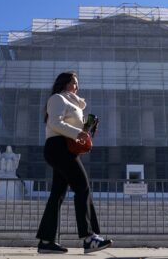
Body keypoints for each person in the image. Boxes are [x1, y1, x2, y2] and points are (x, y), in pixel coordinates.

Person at [36, 72, 112, 254]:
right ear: (65, 83)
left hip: (64, 148)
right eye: (74, 83)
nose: (77, 86)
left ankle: (46, 241)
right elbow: (55, 123)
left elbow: (74, 128)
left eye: (78, 84)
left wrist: (87, 127)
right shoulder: (57, 98)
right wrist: (77, 133)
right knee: (82, 186)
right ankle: (89, 237)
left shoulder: (74, 103)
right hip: (58, 147)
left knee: (57, 195)